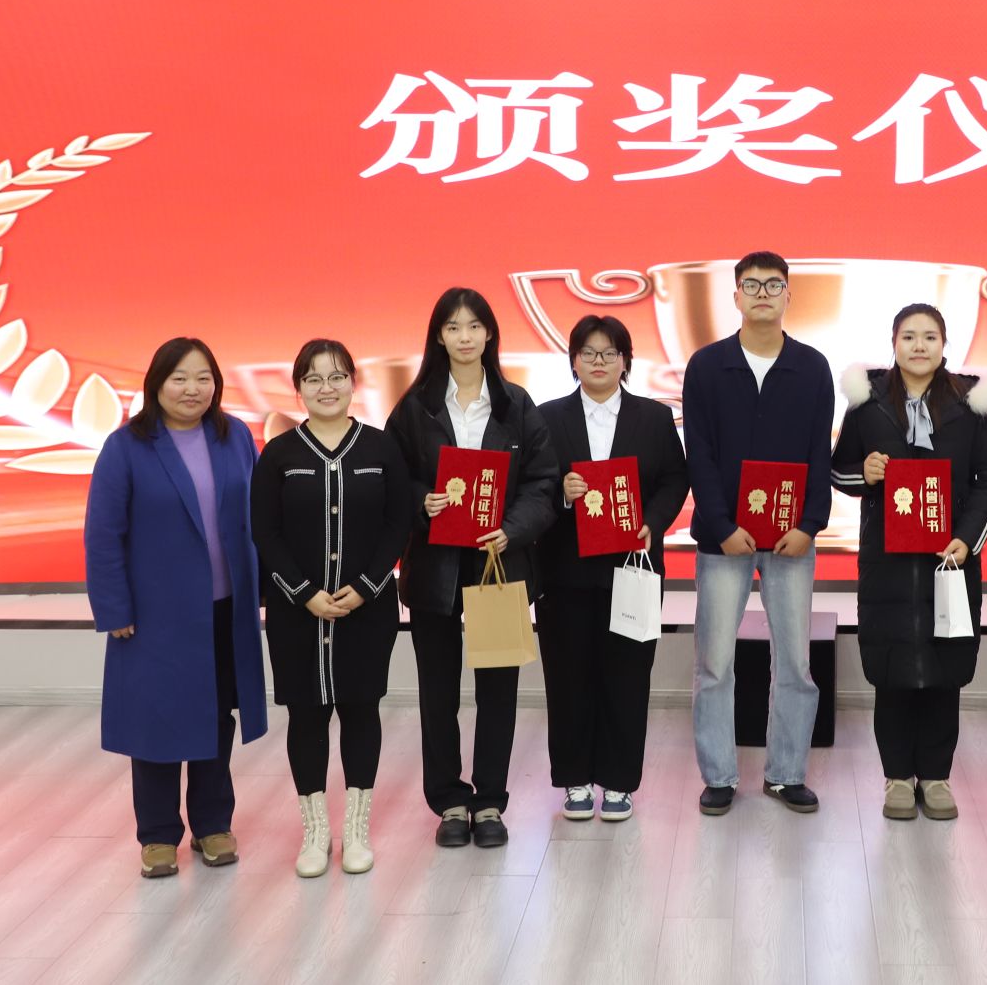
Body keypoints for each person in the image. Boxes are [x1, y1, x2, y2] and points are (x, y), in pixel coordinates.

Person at [84, 337, 267, 879]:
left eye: (204, 378)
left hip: (225, 608)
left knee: (217, 718)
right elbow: (103, 534)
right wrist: (114, 608)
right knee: (155, 720)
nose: (193, 389)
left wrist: (263, 590)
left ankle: (213, 824)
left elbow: (256, 517)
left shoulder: (235, 437)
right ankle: (159, 834)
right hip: (155, 616)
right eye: (180, 378)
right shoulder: (126, 446)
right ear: (157, 384)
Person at [388, 288, 560, 850]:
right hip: (434, 568)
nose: (464, 337)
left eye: (474, 326)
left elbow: (543, 483)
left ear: (490, 334)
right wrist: (422, 502)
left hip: (498, 566)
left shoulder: (516, 405)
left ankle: (489, 800)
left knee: (498, 690)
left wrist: (512, 528)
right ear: (438, 336)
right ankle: (448, 801)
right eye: (453, 327)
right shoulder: (414, 407)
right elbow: (393, 478)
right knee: (438, 692)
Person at [832, 304, 987, 820]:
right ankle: (897, 778)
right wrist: (865, 472)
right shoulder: (867, 404)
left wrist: (967, 540)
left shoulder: (969, 404)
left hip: (950, 562)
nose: (920, 346)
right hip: (886, 563)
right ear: (894, 343)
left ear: (945, 344)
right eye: (909, 336)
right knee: (892, 674)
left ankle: (937, 776)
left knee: (944, 673)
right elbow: (837, 473)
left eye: (930, 336)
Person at [250, 339, 412, 877]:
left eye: (337, 376)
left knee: (361, 710)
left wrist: (366, 586)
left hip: (368, 609)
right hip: (297, 614)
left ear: (353, 383)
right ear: (298, 388)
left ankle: (356, 831)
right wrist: (303, 593)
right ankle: (315, 832)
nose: (327, 388)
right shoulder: (279, 454)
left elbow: (398, 523)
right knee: (307, 715)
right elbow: (264, 532)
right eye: (314, 378)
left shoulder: (381, 448)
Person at [682, 250, 835, 816]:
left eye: (773, 285)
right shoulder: (707, 366)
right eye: (752, 285)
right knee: (714, 663)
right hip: (722, 539)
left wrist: (810, 524)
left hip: (792, 538)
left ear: (789, 295)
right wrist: (720, 525)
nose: (763, 294)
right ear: (736, 296)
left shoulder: (812, 367)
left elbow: (819, 452)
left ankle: (786, 773)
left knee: (795, 662)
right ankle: (719, 776)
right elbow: (698, 453)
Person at [535, 315, 690, 822]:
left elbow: (675, 478)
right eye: (588, 353)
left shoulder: (654, 417)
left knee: (628, 675)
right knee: (568, 677)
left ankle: (620, 781)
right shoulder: (546, 418)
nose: (598, 361)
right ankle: (575, 779)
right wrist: (562, 492)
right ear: (573, 360)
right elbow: (530, 484)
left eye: (609, 353)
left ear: (626, 361)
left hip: (634, 567)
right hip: (565, 571)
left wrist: (653, 522)